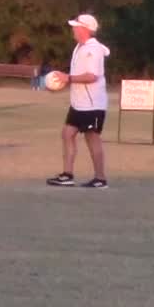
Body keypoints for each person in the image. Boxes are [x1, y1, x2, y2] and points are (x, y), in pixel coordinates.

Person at [46, 14, 111, 189]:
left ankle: (100, 178)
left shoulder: (93, 49)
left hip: (92, 105)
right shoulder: (79, 47)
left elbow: (91, 76)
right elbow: (76, 76)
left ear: (84, 29)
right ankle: (67, 175)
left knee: (92, 138)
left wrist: (67, 78)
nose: (73, 29)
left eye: (76, 26)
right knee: (67, 134)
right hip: (78, 104)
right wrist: (59, 83)